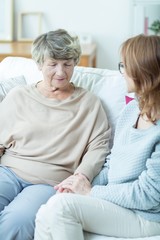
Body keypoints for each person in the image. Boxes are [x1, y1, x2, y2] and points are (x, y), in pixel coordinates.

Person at [34, 34, 160, 240]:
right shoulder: (132, 110)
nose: (123, 72)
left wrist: (91, 192)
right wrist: (76, 184)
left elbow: (147, 195)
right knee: (45, 213)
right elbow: (112, 164)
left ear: (142, 72)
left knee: (63, 208)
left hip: (146, 216)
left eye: (125, 66)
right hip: (118, 201)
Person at [0, 29, 111, 240]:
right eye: (53, 64)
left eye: (67, 64)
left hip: (48, 181)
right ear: (40, 64)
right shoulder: (19, 95)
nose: (61, 72)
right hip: (7, 171)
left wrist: (82, 176)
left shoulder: (88, 103)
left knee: (18, 221)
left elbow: (99, 145)